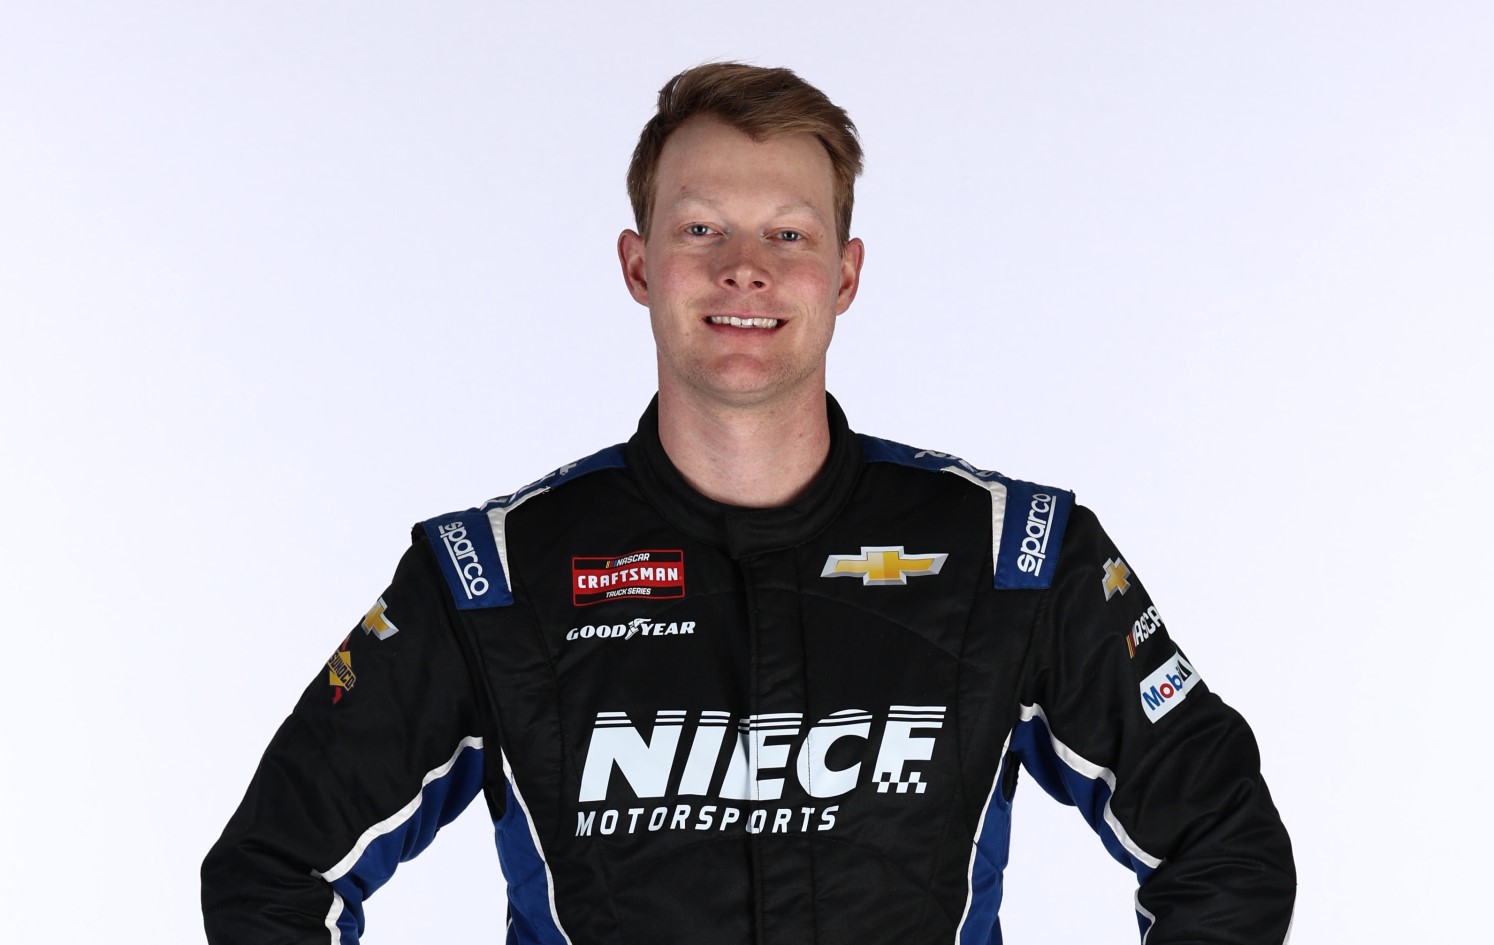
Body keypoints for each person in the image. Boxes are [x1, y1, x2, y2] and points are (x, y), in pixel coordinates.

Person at [202, 63, 1295, 944]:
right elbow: (270, 875)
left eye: (788, 234)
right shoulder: (490, 578)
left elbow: (1226, 849)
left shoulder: (1016, 554)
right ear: (638, 266)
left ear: (846, 272)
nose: (743, 270)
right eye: (699, 230)